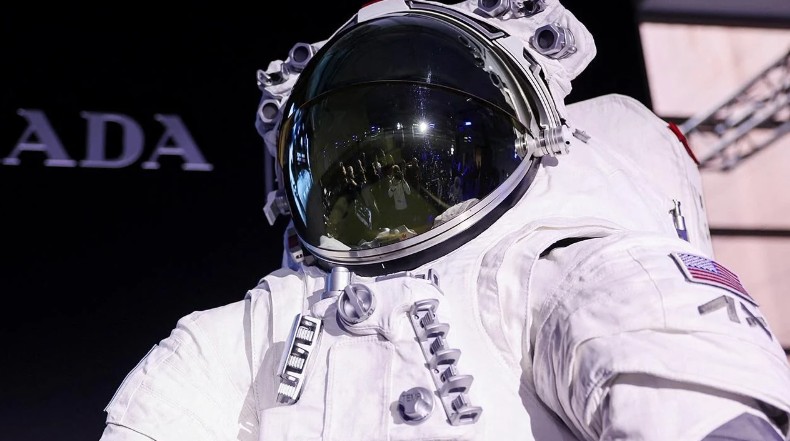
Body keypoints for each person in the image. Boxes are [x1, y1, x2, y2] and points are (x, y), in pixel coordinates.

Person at [99, 1, 790, 440]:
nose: (387, 186)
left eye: (412, 157)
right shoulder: (253, 329)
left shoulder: (560, 272)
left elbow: (698, 418)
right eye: (355, 168)